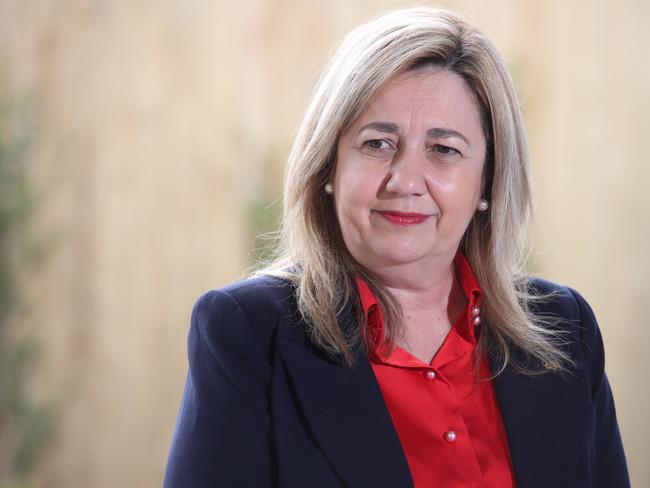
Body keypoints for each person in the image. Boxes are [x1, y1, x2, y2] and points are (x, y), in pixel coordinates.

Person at [163, 7, 629, 488]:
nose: (405, 180)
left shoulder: (565, 328)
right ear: (328, 165)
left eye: (443, 149)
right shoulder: (248, 334)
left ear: (487, 180)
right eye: (377, 144)